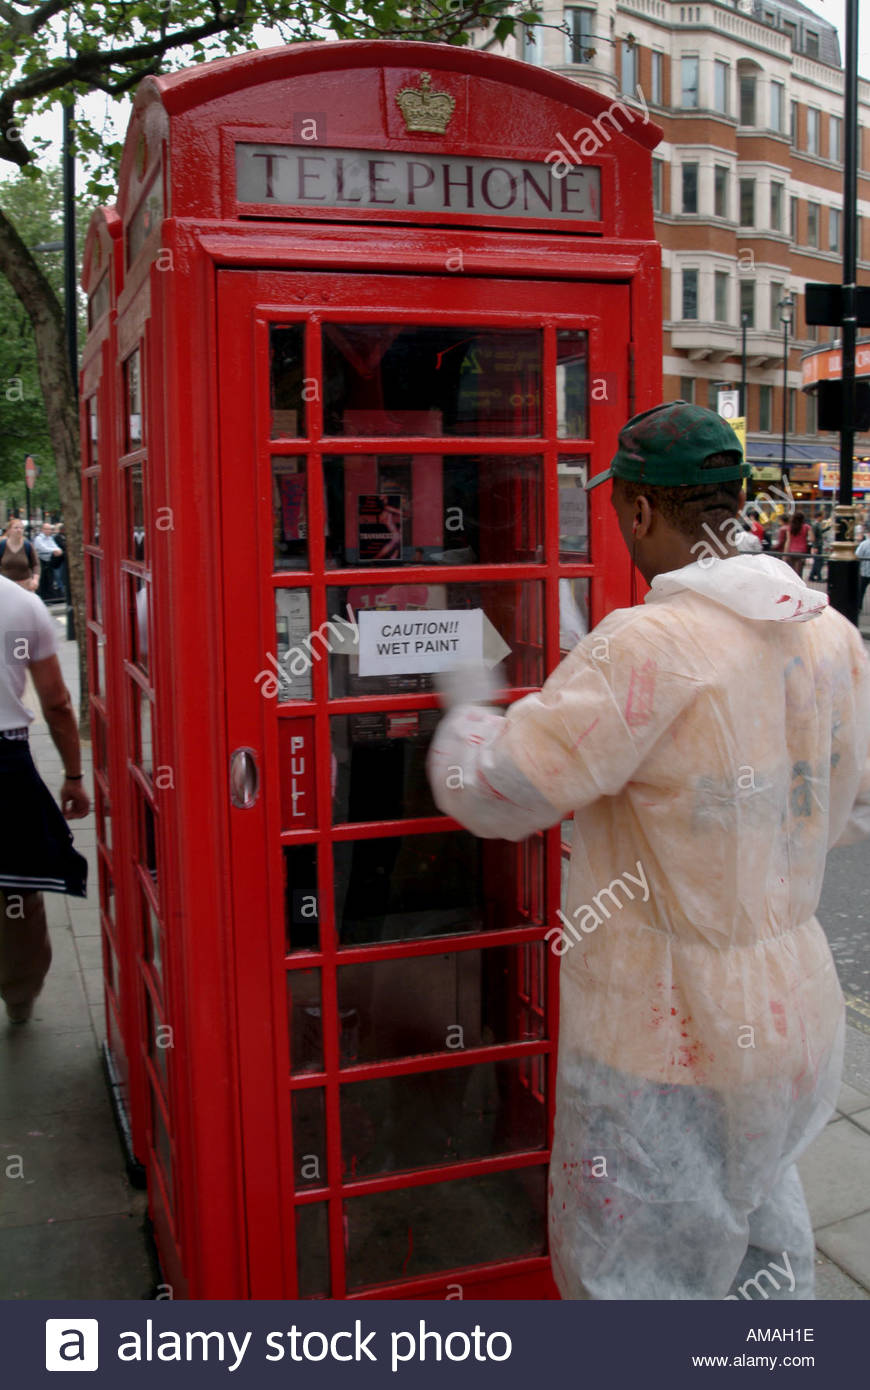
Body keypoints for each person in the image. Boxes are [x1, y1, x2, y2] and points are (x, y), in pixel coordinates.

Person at [427, 401, 870, 1301]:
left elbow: (503, 789)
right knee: (761, 1234)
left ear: (638, 512)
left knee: (637, 1285)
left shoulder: (648, 642)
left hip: (665, 1028)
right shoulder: (830, 632)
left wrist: (466, 702)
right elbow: (846, 805)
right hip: (792, 1012)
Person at [0, 573, 90, 1024]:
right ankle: (19, 993)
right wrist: (73, 775)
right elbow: (56, 701)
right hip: (5, 758)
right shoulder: (20, 604)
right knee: (15, 886)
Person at [0, 518, 39, 590]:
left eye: (21, 528)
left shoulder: (28, 545)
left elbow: (35, 565)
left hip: (26, 586)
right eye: (16, 528)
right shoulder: (2, 545)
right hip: (6, 587)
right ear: (9, 530)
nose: (19, 530)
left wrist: (35, 580)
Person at [774, 510, 812, 577]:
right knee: (799, 572)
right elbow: (812, 538)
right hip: (802, 551)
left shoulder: (790, 527)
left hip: (791, 551)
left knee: (791, 571)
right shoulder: (806, 527)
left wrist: (785, 554)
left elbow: (788, 541)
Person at [34, 521, 63, 602]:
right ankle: (41, 597)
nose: (49, 531)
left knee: (49, 579)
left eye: (50, 529)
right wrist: (55, 550)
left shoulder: (50, 538)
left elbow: (55, 546)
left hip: (48, 560)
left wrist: (58, 550)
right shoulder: (38, 539)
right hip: (40, 560)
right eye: (47, 529)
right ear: (42, 529)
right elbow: (43, 548)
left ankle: (49, 597)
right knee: (42, 579)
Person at [857, 532, 870, 614]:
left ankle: (858, 607)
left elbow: (857, 555)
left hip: (865, 572)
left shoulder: (864, 544)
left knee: (861, 591)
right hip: (865, 571)